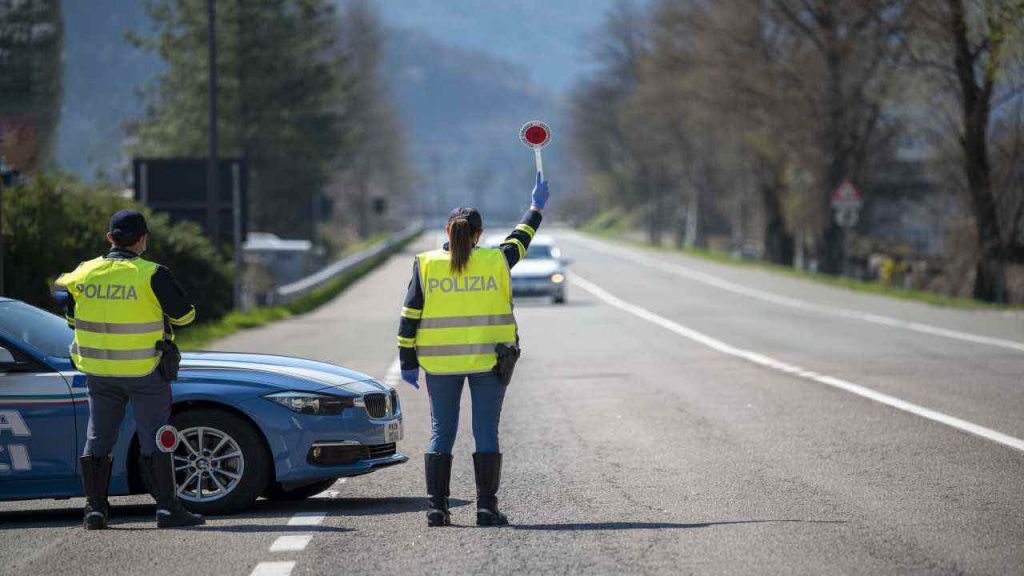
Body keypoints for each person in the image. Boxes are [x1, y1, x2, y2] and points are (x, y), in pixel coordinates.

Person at [397, 172, 550, 527]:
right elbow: (521, 238)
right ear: (478, 234)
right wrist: (536, 207)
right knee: (485, 432)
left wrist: (407, 361)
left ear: (447, 233)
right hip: (488, 363)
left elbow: (409, 318)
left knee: (441, 433)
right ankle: (486, 508)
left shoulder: (426, 264)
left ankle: (437, 509)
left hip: (439, 364)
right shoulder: (496, 260)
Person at [53, 210, 205, 530]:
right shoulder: (151, 273)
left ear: (110, 238)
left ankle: (94, 511)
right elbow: (186, 317)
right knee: (155, 437)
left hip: (98, 370)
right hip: (145, 369)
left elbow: (71, 321)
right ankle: (166, 509)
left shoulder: (83, 274)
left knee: (99, 437)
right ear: (143, 239)